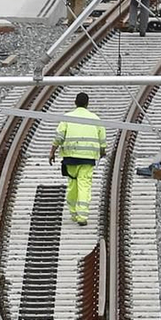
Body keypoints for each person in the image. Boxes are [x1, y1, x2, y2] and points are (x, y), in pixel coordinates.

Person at [49, 90, 108, 228]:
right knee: (84, 185)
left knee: (72, 184)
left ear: (75, 103)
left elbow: (59, 137)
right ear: (87, 104)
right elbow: (102, 139)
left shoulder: (68, 117)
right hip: (88, 159)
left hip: (70, 157)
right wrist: (102, 151)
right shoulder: (95, 118)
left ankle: (74, 213)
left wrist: (52, 152)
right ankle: (83, 216)